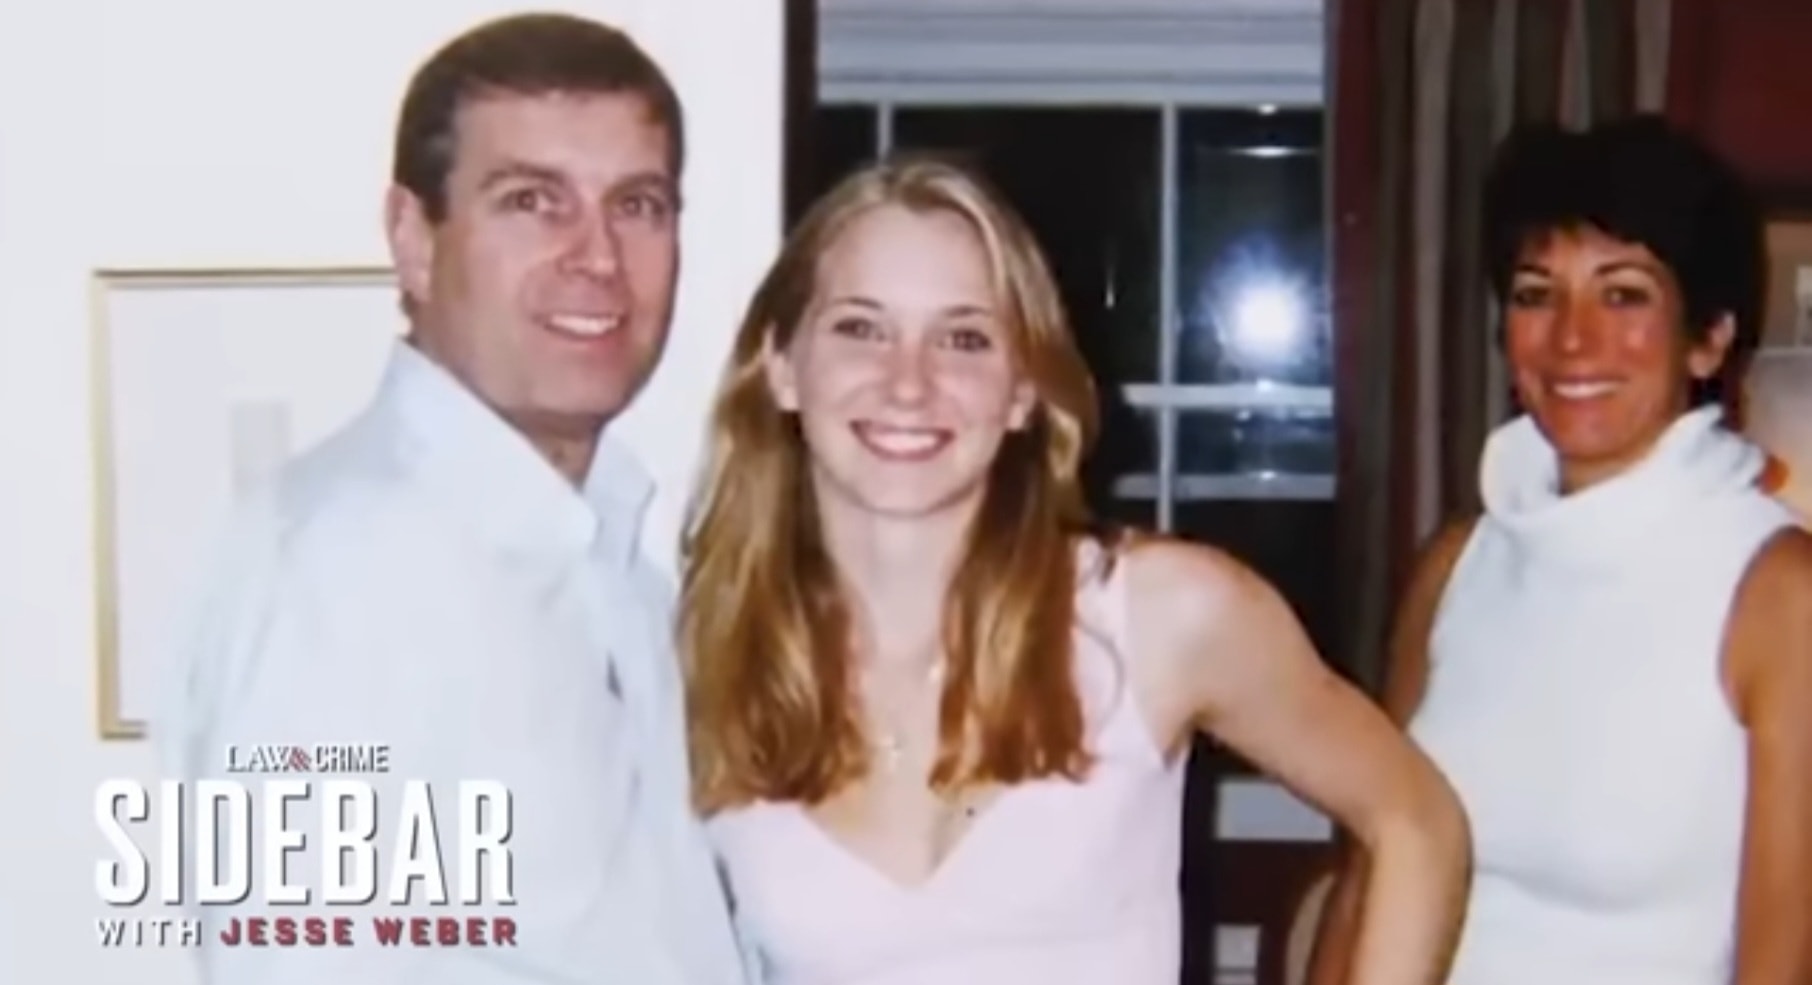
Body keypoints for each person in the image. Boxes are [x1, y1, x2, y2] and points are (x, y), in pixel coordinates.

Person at [677, 155, 1470, 985]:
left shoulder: (1159, 614)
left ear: (1022, 389)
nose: (909, 382)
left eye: (964, 338)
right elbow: (585, 921)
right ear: (781, 366)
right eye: (861, 328)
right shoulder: (704, 660)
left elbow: (1417, 821)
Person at [154, 14, 749, 985]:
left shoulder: (616, 566)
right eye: (533, 201)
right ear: (414, 238)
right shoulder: (342, 573)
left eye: (637, 204)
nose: (598, 256)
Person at [1306, 116, 1812, 985]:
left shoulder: (1778, 593)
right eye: (1537, 295)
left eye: (1624, 295)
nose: (1572, 339)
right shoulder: (1455, 566)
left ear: (1709, 337)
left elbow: (1783, 962)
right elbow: (1365, 883)